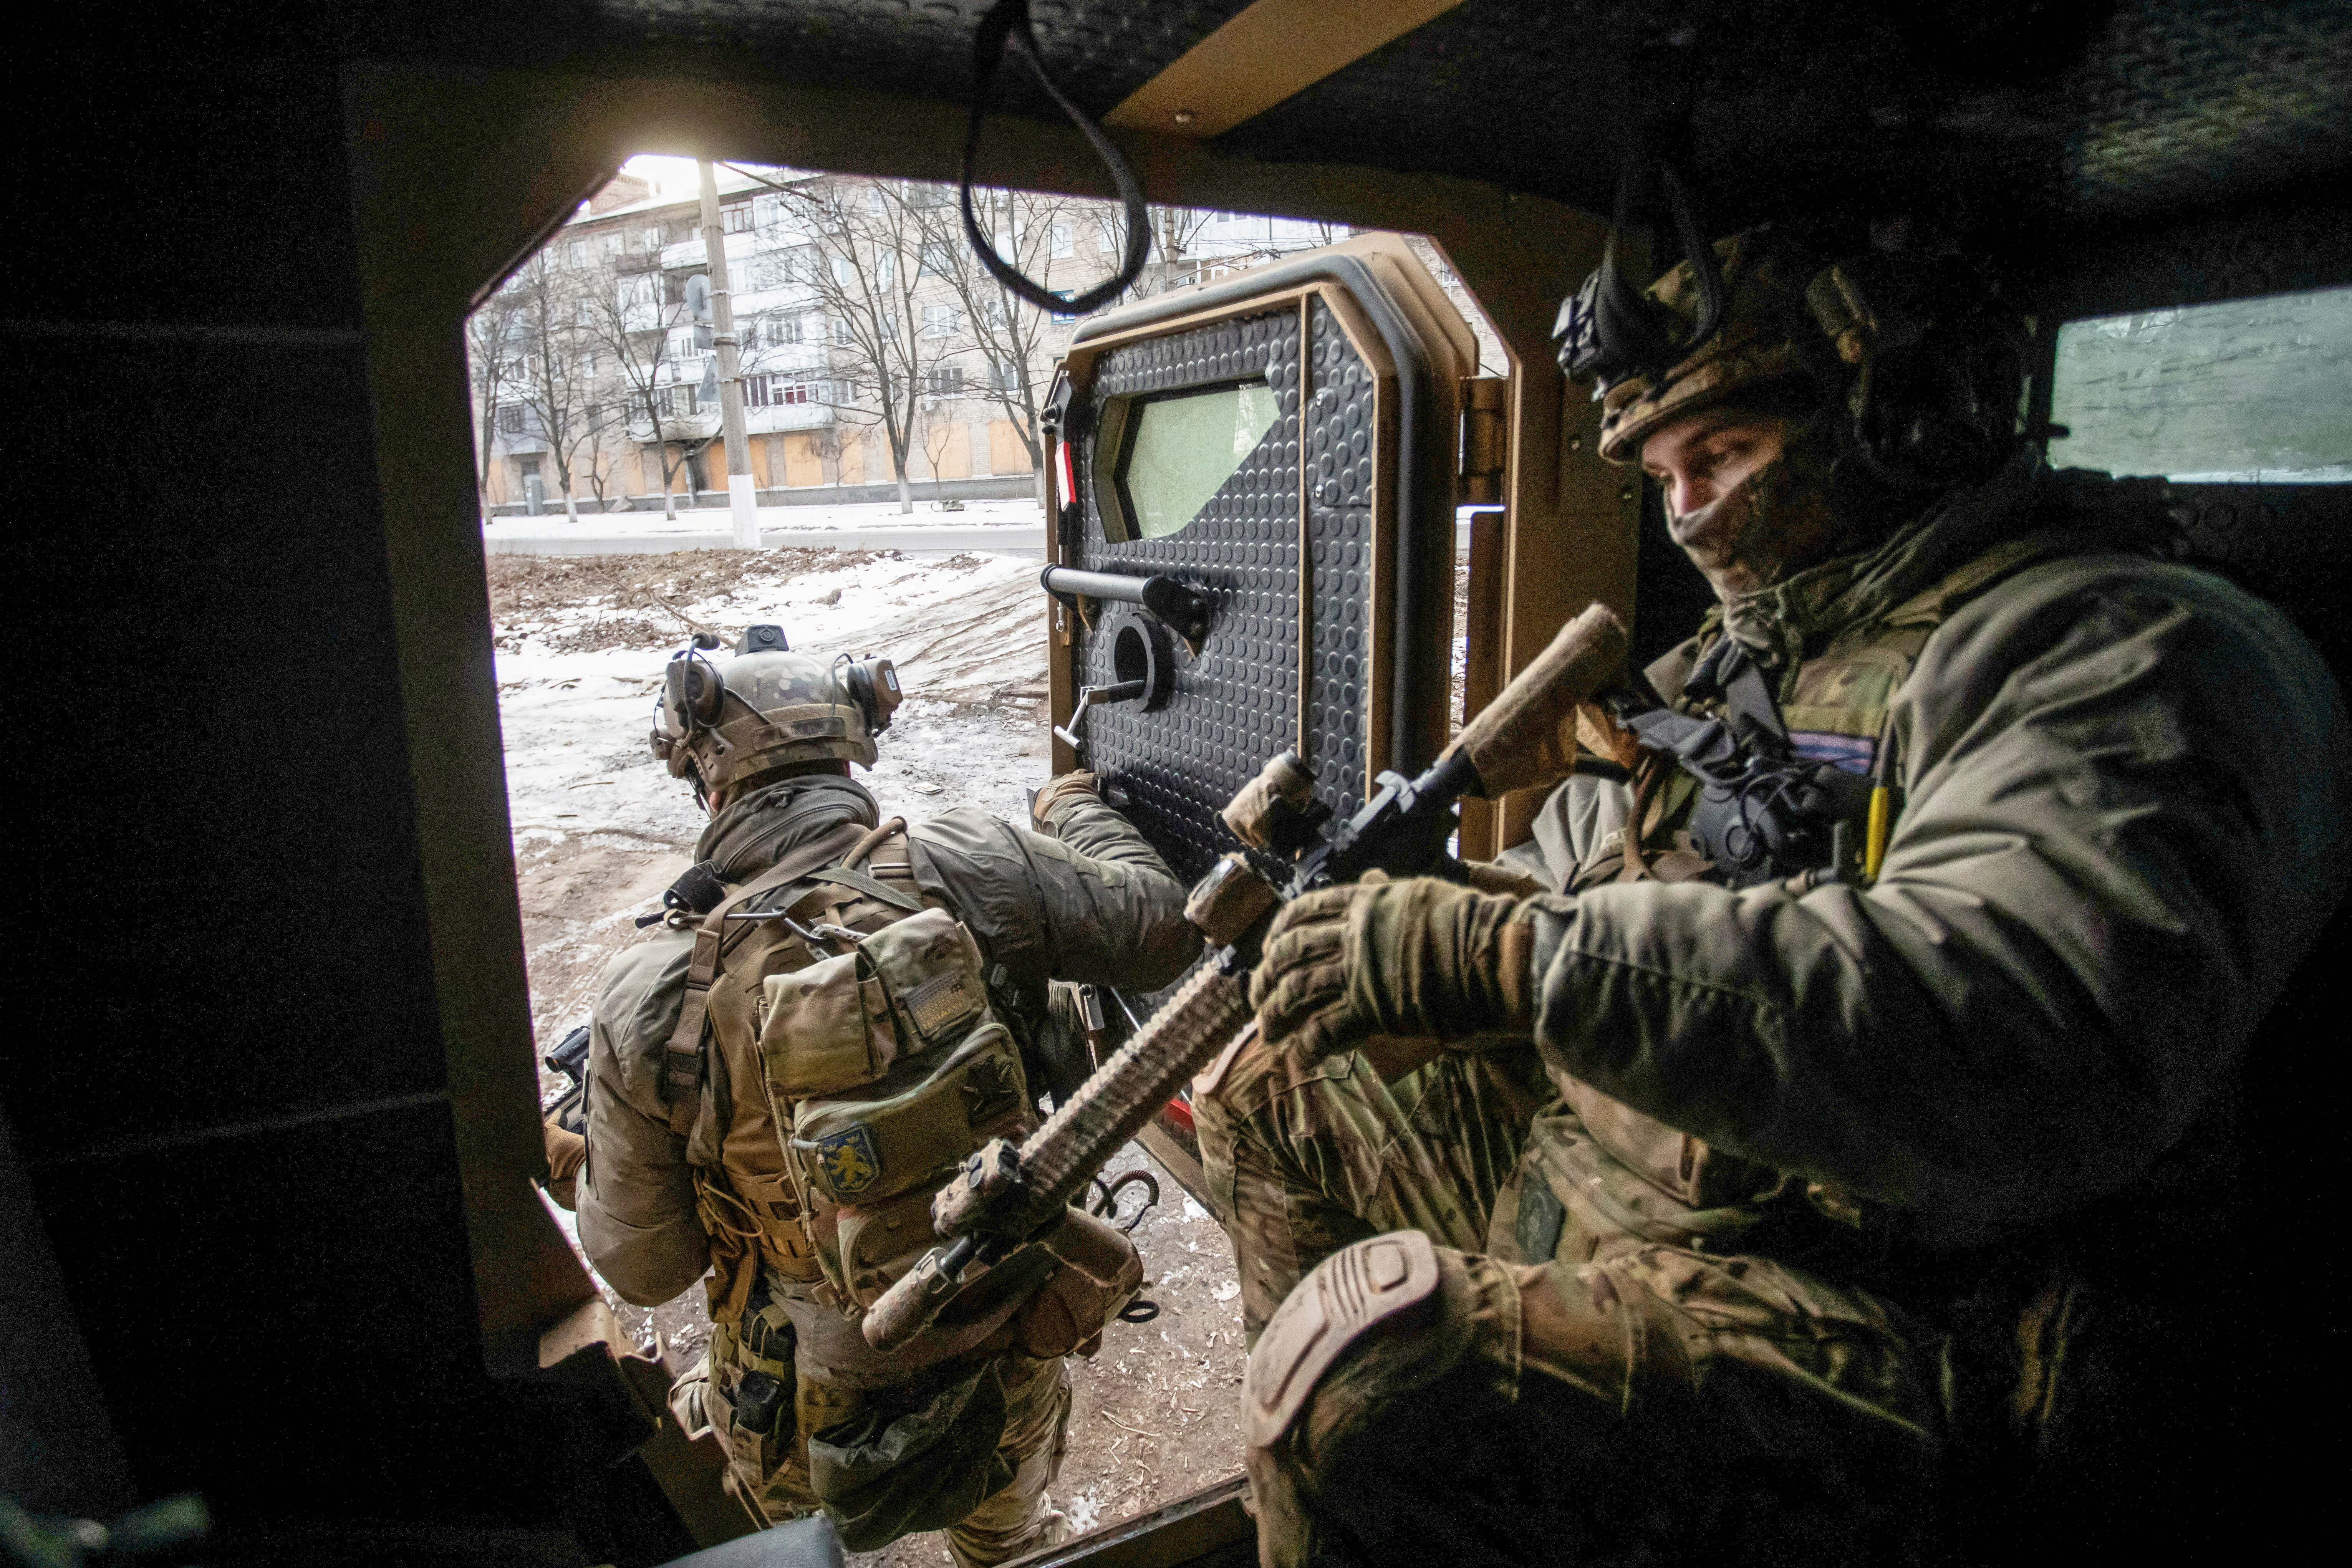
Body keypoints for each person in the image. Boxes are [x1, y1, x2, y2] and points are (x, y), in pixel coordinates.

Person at [1196, 229, 2350, 1563]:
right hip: (1661, 1191)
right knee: (1272, 1078)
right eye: (1660, 472)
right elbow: (1569, 897)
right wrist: (1416, 919)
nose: (1684, 510)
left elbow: (2028, 1027)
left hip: (1902, 1308)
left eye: (1724, 452)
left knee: (1365, 1388)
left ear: (1897, 424)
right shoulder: (1727, 671)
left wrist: (1500, 959)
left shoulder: (2123, 652)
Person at [541, 628, 1199, 1566]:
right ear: (849, 748)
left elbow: (646, 1268)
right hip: (999, 1346)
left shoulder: (650, 993)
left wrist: (586, 1156)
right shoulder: (976, 861)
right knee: (1007, 1544)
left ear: (710, 784)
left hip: (793, 1412)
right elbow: (1165, 925)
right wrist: (1070, 806)